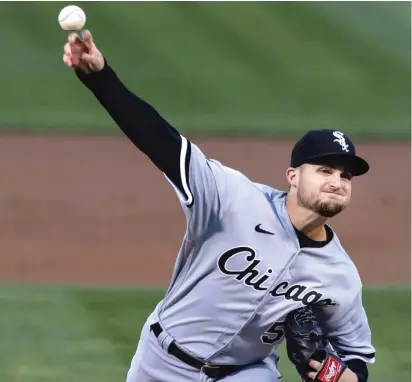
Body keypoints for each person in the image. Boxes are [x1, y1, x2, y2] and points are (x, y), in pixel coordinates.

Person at [62, 30, 375, 382]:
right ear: (293, 176)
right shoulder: (233, 199)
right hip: (162, 361)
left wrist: (338, 376)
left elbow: (357, 357)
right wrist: (100, 78)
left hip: (246, 373)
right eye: (324, 170)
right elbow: (160, 141)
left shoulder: (340, 276)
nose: (337, 181)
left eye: (346, 176)